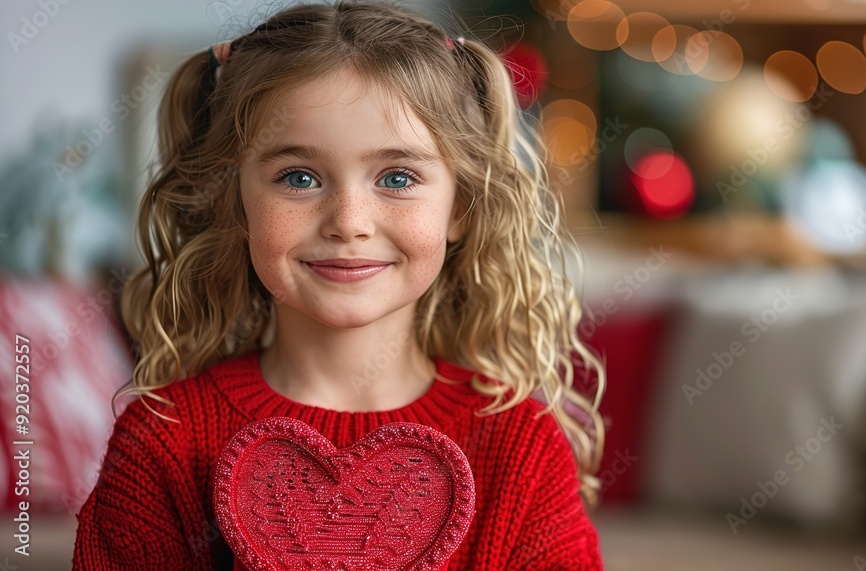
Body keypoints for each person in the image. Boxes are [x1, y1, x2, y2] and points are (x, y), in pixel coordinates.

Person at [72, 1, 605, 569]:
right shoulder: (164, 440)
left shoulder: (520, 446)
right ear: (235, 200)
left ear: (462, 208)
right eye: (298, 177)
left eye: (397, 177)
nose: (349, 219)